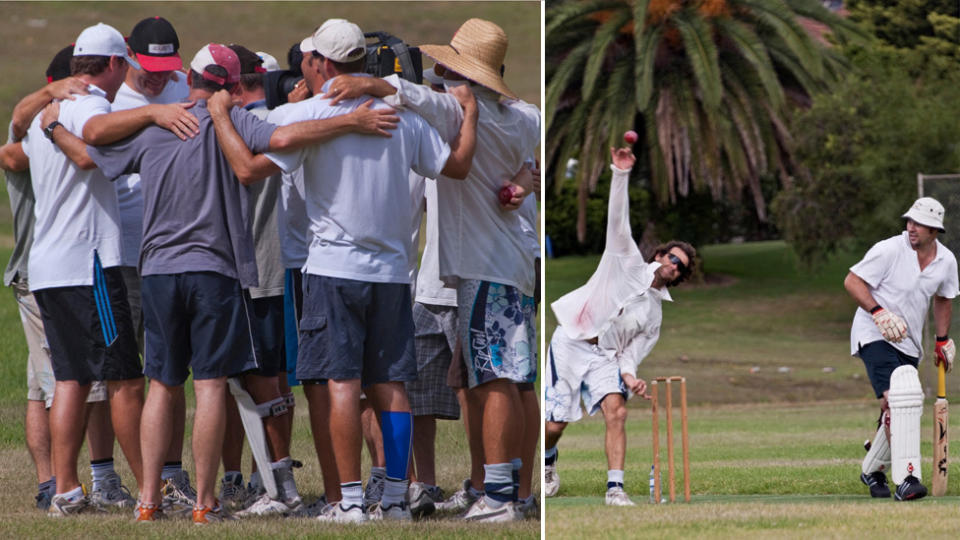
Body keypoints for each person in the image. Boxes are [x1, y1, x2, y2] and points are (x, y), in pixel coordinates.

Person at [71, 41, 399, 523]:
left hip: (158, 270)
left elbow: (93, 149)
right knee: (208, 387)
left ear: (193, 79)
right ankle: (204, 503)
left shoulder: (155, 125)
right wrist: (350, 122)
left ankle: (147, 501)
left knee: (161, 386)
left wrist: (62, 122)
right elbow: (288, 138)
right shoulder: (235, 120)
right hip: (215, 272)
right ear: (228, 86)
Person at [210, 18, 478, 523]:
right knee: (391, 385)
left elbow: (248, 167)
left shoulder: (310, 113)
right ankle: (397, 498)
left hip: (333, 268)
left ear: (324, 64)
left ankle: (349, 500)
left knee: (339, 383)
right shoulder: (405, 117)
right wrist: (471, 115)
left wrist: (220, 113)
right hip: (395, 274)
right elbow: (458, 168)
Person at [323, 18, 540, 522]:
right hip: (509, 267)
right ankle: (506, 493)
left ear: (468, 76)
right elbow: (524, 160)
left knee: (494, 382)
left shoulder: (455, 113)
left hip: (484, 269)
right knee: (501, 379)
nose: (439, 71)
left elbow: (405, 92)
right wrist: (522, 180)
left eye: (449, 65)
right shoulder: (524, 116)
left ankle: (499, 498)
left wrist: (364, 83)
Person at [0, 23, 148, 517]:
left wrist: (48, 114)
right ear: (113, 65)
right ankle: (149, 491)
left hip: (47, 266)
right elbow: (89, 157)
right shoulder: (92, 109)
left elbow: (17, 129)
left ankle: (64, 489)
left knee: (70, 381)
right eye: (124, 63)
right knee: (126, 379)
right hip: (90, 264)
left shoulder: (47, 109)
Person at [544, 146, 696, 506]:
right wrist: (621, 173)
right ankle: (548, 462)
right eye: (671, 256)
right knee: (555, 425)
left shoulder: (655, 316)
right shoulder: (625, 260)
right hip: (571, 340)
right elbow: (618, 221)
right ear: (658, 255)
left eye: (681, 266)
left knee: (618, 409)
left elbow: (630, 354)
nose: (673, 264)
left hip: (605, 357)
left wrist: (630, 378)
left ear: (679, 277)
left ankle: (615, 489)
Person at [110, 15, 198, 512]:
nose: (158, 78)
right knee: (127, 374)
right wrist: (151, 116)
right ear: (126, 56)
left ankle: (171, 474)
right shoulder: (112, 102)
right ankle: (143, 481)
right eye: (149, 69)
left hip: (176, 253)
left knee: (171, 372)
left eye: (166, 68)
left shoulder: (184, 86)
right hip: (127, 253)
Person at [846, 197, 958, 501]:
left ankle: (873, 469)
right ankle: (908, 478)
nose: (911, 227)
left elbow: (944, 297)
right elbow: (853, 281)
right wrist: (878, 312)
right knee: (899, 399)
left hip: (908, 344)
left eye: (918, 223)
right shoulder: (888, 249)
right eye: (909, 221)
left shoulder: (946, 261)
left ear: (934, 229)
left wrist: (942, 340)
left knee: (896, 407)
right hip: (873, 334)